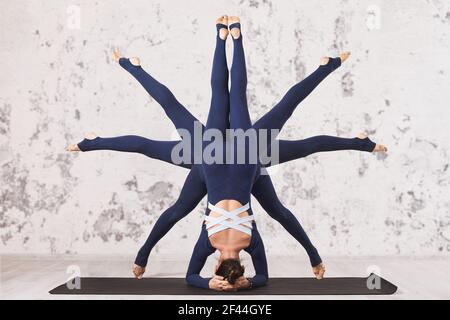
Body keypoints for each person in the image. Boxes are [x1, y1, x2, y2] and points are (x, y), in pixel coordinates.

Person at [66, 16, 387, 290]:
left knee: (288, 134)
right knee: (160, 150)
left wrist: (312, 258)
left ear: (239, 266)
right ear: (217, 262)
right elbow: (193, 275)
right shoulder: (211, 243)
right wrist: (158, 264)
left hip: (246, 158)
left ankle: (239, 41)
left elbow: (264, 273)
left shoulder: (249, 242)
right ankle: (101, 126)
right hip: (213, 159)